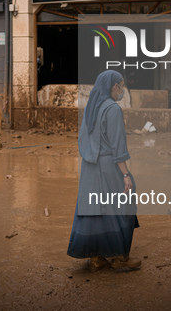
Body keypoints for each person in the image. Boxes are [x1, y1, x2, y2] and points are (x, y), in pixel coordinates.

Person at [67, 70, 141, 272]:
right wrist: (126, 175)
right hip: (108, 166)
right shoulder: (112, 109)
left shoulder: (91, 107)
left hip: (90, 167)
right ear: (114, 86)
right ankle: (119, 257)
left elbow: (84, 140)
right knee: (123, 205)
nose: (122, 89)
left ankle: (96, 257)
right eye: (121, 85)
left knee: (94, 210)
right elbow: (118, 147)